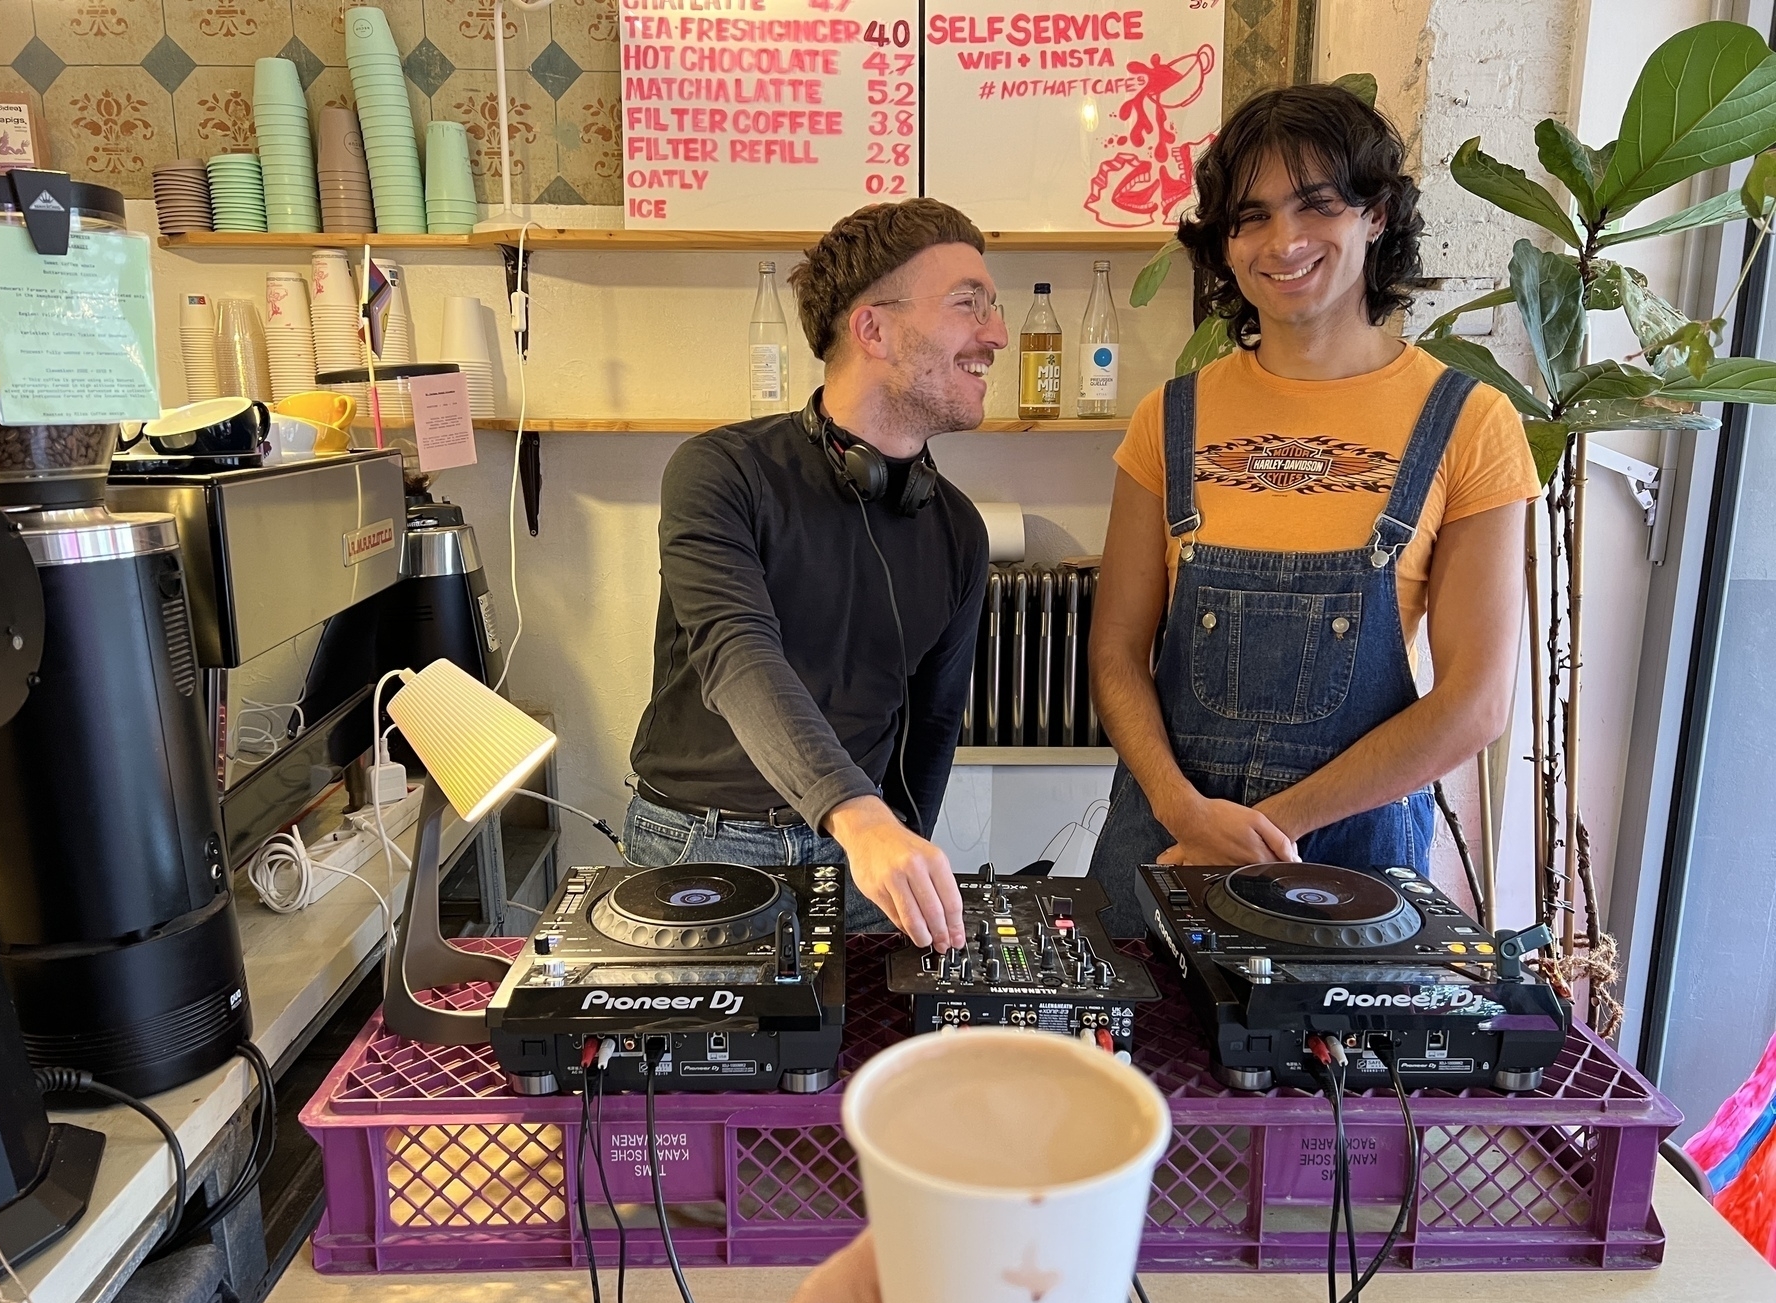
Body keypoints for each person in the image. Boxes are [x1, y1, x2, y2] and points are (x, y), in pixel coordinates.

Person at [1087, 83, 1538, 927]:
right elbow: (1115, 654)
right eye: (1250, 217)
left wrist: (1255, 834)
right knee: (1126, 1058)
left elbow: (1475, 704)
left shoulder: (1470, 424)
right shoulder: (1169, 418)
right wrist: (1188, 815)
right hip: (1165, 836)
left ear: (1377, 215)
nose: (1283, 242)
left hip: (1352, 861)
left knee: (1326, 1064)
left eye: (1317, 205)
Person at [625, 199, 1005, 951]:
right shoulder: (720, 472)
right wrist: (860, 814)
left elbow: (933, 723)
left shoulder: (957, 528)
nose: (996, 333)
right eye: (969, 304)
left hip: (863, 863)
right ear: (874, 328)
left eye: (993, 307)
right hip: (705, 851)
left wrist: (897, 838)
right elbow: (737, 655)